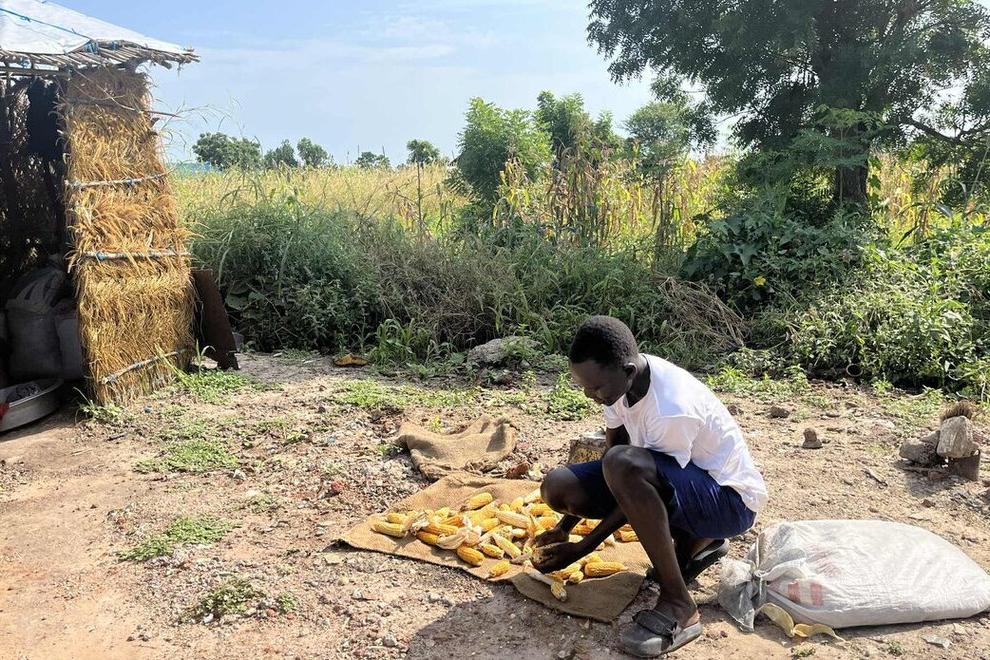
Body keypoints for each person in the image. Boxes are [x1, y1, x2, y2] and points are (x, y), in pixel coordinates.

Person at [534, 316, 768, 657]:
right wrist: (565, 527)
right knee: (559, 485)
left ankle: (680, 605)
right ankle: (696, 544)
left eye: (595, 388)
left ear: (628, 371)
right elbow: (613, 457)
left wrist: (584, 547)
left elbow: (636, 483)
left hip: (729, 503)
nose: (589, 395)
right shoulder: (618, 386)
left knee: (625, 466)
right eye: (584, 386)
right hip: (681, 483)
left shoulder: (671, 408)